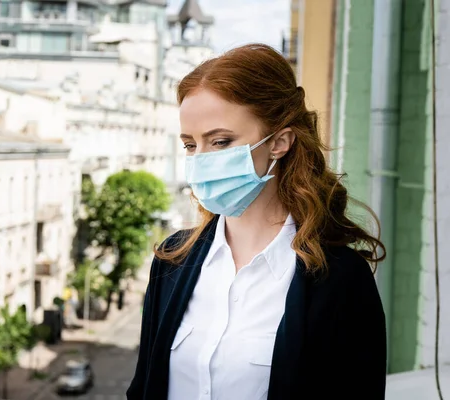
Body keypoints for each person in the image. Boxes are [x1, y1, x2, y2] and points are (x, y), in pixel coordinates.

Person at [126, 44, 387, 400]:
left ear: (279, 142)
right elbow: (143, 388)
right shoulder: (172, 259)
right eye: (190, 145)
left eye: (220, 141)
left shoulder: (339, 279)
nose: (201, 160)